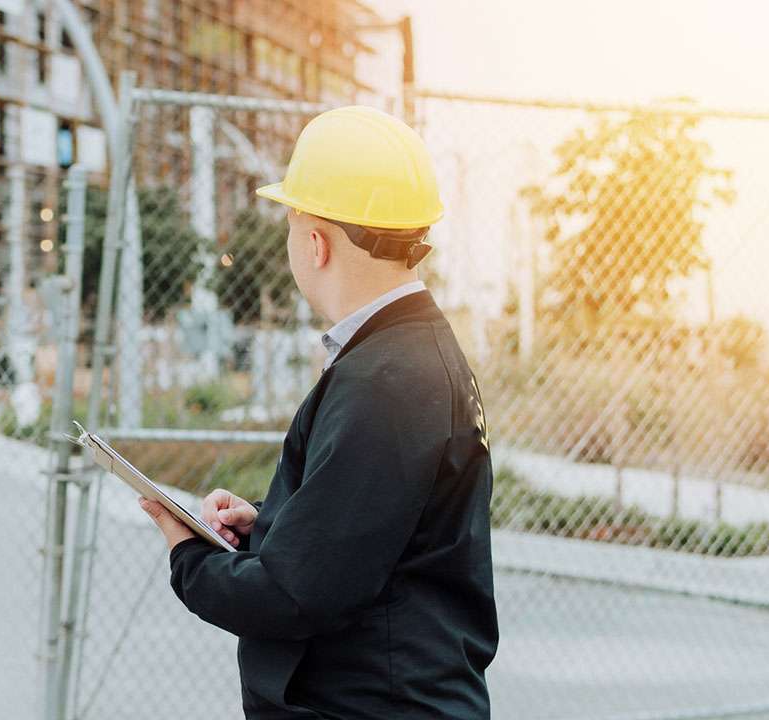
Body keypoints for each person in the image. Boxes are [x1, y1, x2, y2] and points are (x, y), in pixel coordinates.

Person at [138, 106, 499, 719]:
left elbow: (295, 596)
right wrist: (276, 525)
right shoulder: (407, 353)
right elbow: (376, 535)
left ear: (314, 242)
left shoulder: (388, 379)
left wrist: (187, 554)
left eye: (290, 223)